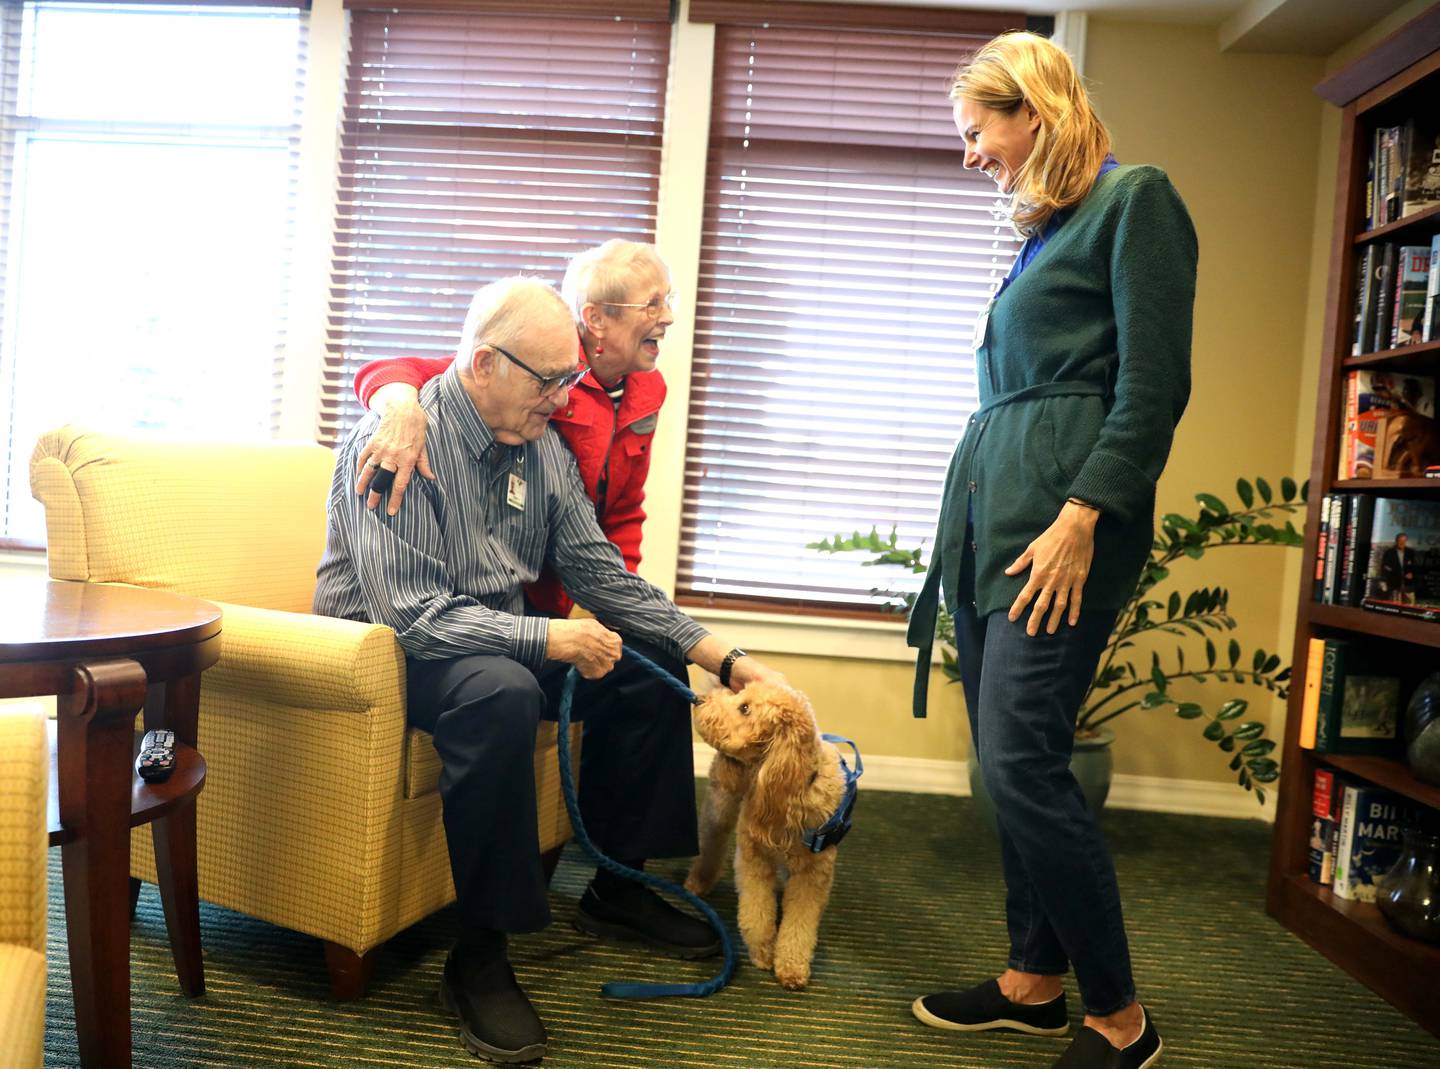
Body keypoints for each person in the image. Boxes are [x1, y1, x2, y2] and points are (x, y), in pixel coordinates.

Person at [315, 276, 777, 1065]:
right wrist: (551, 640)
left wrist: (725, 658)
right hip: (388, 656)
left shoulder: (541, 448)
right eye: (550, 380)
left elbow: (604, 578)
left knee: (644, 659)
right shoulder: (397, 443)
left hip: (491, 637)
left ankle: (619, 888)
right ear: (485, 364)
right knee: (501, 689)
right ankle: (480, 956)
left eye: (570, 379)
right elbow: (413, 615)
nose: (565, 400)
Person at [905, 32, 1196, 1069]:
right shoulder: (1047, 230)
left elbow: (1154, 387)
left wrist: (1084, 515)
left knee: (1025, 759)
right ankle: (1033, 977)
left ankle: (1121, 1017)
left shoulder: (1136, 201)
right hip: (995, 519)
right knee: (1005, 759)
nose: (971, 152)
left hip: (1061, 525)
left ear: (1030, 108)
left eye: (976, 128)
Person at [352, 239, 674, 621]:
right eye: (652, 304)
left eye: (669, 300)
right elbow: (447, 373)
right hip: (523, 584)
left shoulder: (647, 390)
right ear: (597, 318)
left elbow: (624, 510)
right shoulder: (534, 363)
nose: (668, 316)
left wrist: (615, 607)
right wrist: (401, 407)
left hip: (588, 570)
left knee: (654, 653)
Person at [1380, 532, 1416, 603]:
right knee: (1395, 604)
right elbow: (1385, 567)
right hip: (1394, 583)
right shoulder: (1389, 553)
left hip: (1408, 584)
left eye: (1404, 541)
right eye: (1400, 541)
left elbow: (1415, 566)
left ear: (1406, 541)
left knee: (1410, 605)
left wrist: (1412, 573)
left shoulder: (1411, 552)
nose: (1402, 543)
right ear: (1396, 541)